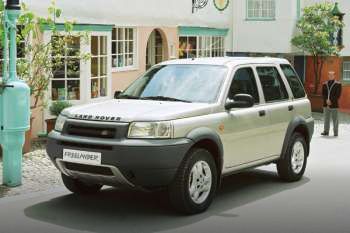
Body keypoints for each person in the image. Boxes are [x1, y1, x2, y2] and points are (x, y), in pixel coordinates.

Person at [321, 71, 342, 137]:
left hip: (334, 104)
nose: (330, 76)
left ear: (334, 76)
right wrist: (326, 100)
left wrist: (330, 100)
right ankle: (326, 131)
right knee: (326, 119)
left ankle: (335, 132)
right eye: (329, 75)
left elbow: (338, 95)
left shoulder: (338, 84)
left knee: (335, 119)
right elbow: (323, 94)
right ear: (328, 76)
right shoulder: (324, 84)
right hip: (326, 104)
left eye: (332, 75)